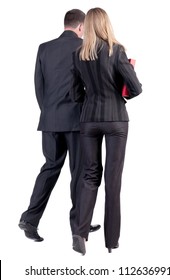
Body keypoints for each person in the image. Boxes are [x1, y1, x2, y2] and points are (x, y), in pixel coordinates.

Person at [18, 9, 100, 242]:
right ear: (81, 27)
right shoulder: (84, 47)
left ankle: (30, 219)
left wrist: (49, 111)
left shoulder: (44, 48)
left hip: (50, 120)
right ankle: (78, 226)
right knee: (79, 172)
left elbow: (39, 85)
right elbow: (90, 86)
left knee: (50, 167)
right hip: (76, 120)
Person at [70, 7, 142, 255]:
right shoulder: (116, 50)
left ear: (87, 26)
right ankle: (111, 242)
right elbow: (136, 88)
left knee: (89, 177)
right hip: (115, 121)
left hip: (88, 120)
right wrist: (123, 94)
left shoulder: (78, 54)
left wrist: (90, 101)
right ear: (106, 24)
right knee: (113, 181)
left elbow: (75, 94)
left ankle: (79, 233)